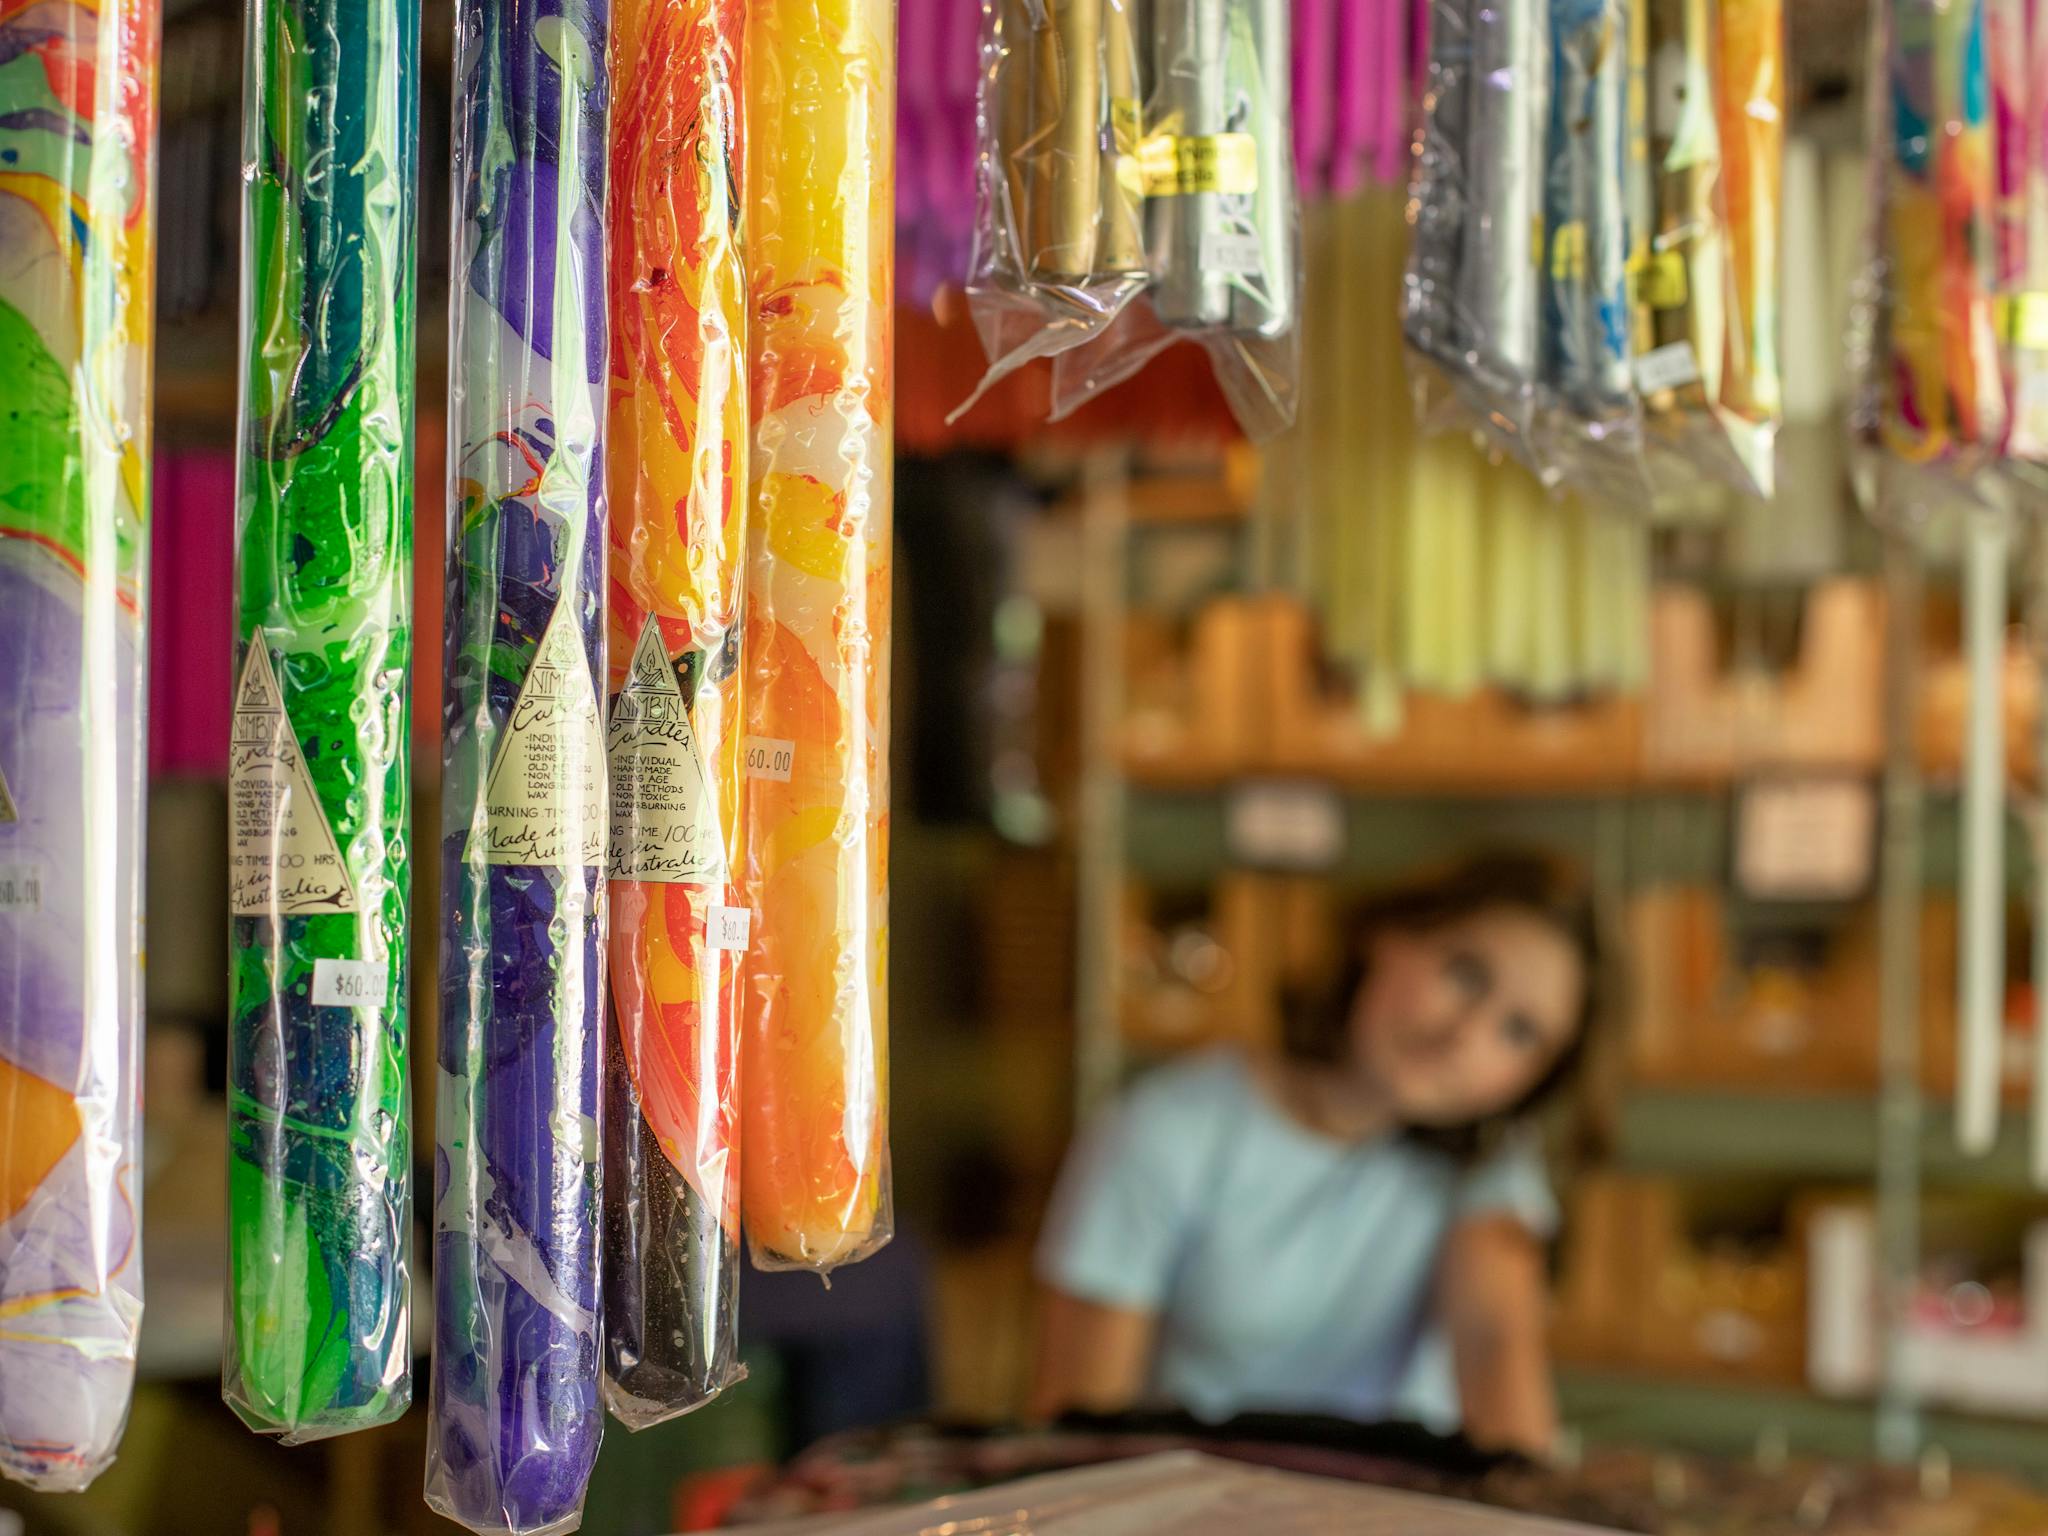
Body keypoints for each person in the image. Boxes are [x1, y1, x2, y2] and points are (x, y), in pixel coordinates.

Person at [1031, 849, 1605, 1456]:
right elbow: (1078, 1431)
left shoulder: (1490, 1163)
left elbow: (1496, 1341)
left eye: (1519, 1032)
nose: (1463, 1038)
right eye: (1465, 973)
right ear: (1386, 936)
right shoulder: (1164, 1132)